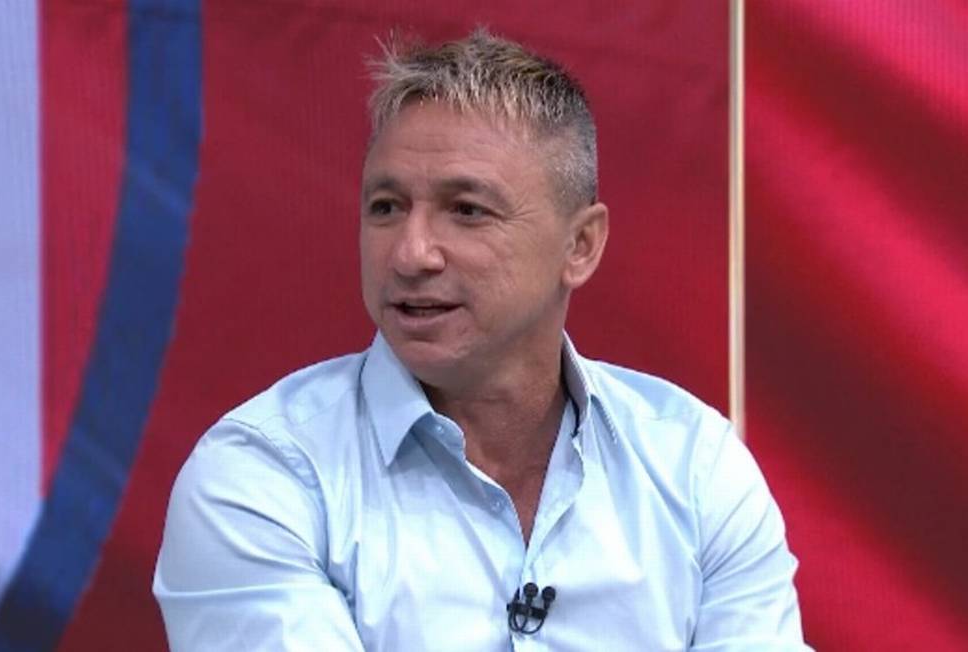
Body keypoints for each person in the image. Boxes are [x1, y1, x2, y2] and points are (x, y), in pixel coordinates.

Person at [153, 30, 809, 651]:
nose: (410, 254)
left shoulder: (692, 465)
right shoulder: (264, 475)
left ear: (580, 245)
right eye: (386, 207)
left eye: (466, 210)